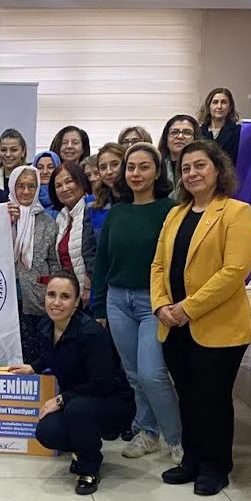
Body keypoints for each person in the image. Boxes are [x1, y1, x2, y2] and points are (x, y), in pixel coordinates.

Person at [151, 140, 251, 496]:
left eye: (200, 166)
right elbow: (158, 265)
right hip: (173, 325)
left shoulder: (236, 212)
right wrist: (161, 305)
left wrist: (187, 308)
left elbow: (234, 271)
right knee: (188, 396)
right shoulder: (175, 214)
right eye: (185, 168)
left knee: (213, 398)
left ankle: (215, 466)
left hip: (218, 327)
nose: (192, 173)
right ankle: (192, 459)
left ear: (218, 169)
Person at [93, 143, 182, 462]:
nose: (136, 173)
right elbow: (102, 263)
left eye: (144, 167)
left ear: (157, 172)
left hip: (153, 303)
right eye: (130, 167)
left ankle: (177, 438)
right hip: (117, 300)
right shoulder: (117, 212)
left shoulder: (171, 211)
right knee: (133, 375)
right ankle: (148, 432)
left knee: (152, 374)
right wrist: (99, 307)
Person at [13, 271, 135, 495]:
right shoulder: (46, 326)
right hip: (77, 400)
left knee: (77, 410)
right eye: (51, 295)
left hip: (112, 401)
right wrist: (33, 367)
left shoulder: (91, 333)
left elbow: (102, 382)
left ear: (77, 302)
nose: (56, 302)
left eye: (65, 296)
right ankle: (82, 448)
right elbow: (52, 354)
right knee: (47, 432)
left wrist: (61, 399)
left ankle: (90, 466)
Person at [7, 165, 59, 363]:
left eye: (31, 186)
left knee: (34, 357)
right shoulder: (1, 217)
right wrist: (9, 222)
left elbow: (54, 263)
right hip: (5, 300)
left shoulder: (48, 223)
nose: (26, 191)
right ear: (13, 187)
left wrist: (51, 292)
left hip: (37, 300)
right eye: (20, 186)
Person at [50, 161, 96, 306]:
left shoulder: (93, 208)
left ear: (81, 181)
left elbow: (97, 254)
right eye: (58, 185)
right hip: (71, 297)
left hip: (91, 295)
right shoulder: (61, 217)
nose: (64, 188)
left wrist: (88, 285)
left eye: (69, 181)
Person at [157, 113, 201, 190]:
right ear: (166, 138)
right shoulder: (156, 167)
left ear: (195, 138)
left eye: (187, 133)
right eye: (174, 132)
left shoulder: (203, 167)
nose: (180, 137)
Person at [89, 142, 126, 234]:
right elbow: (89, 241)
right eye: (103, 167)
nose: (109, 172)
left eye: (115, 164)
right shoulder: (93, 205)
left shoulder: (139, 199)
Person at [198, 87, 242, 164]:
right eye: (215, 102)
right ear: (209, 106)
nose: (219, 106)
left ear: (230, 107)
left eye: (224, 102)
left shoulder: (239, 132)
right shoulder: (198, 132)